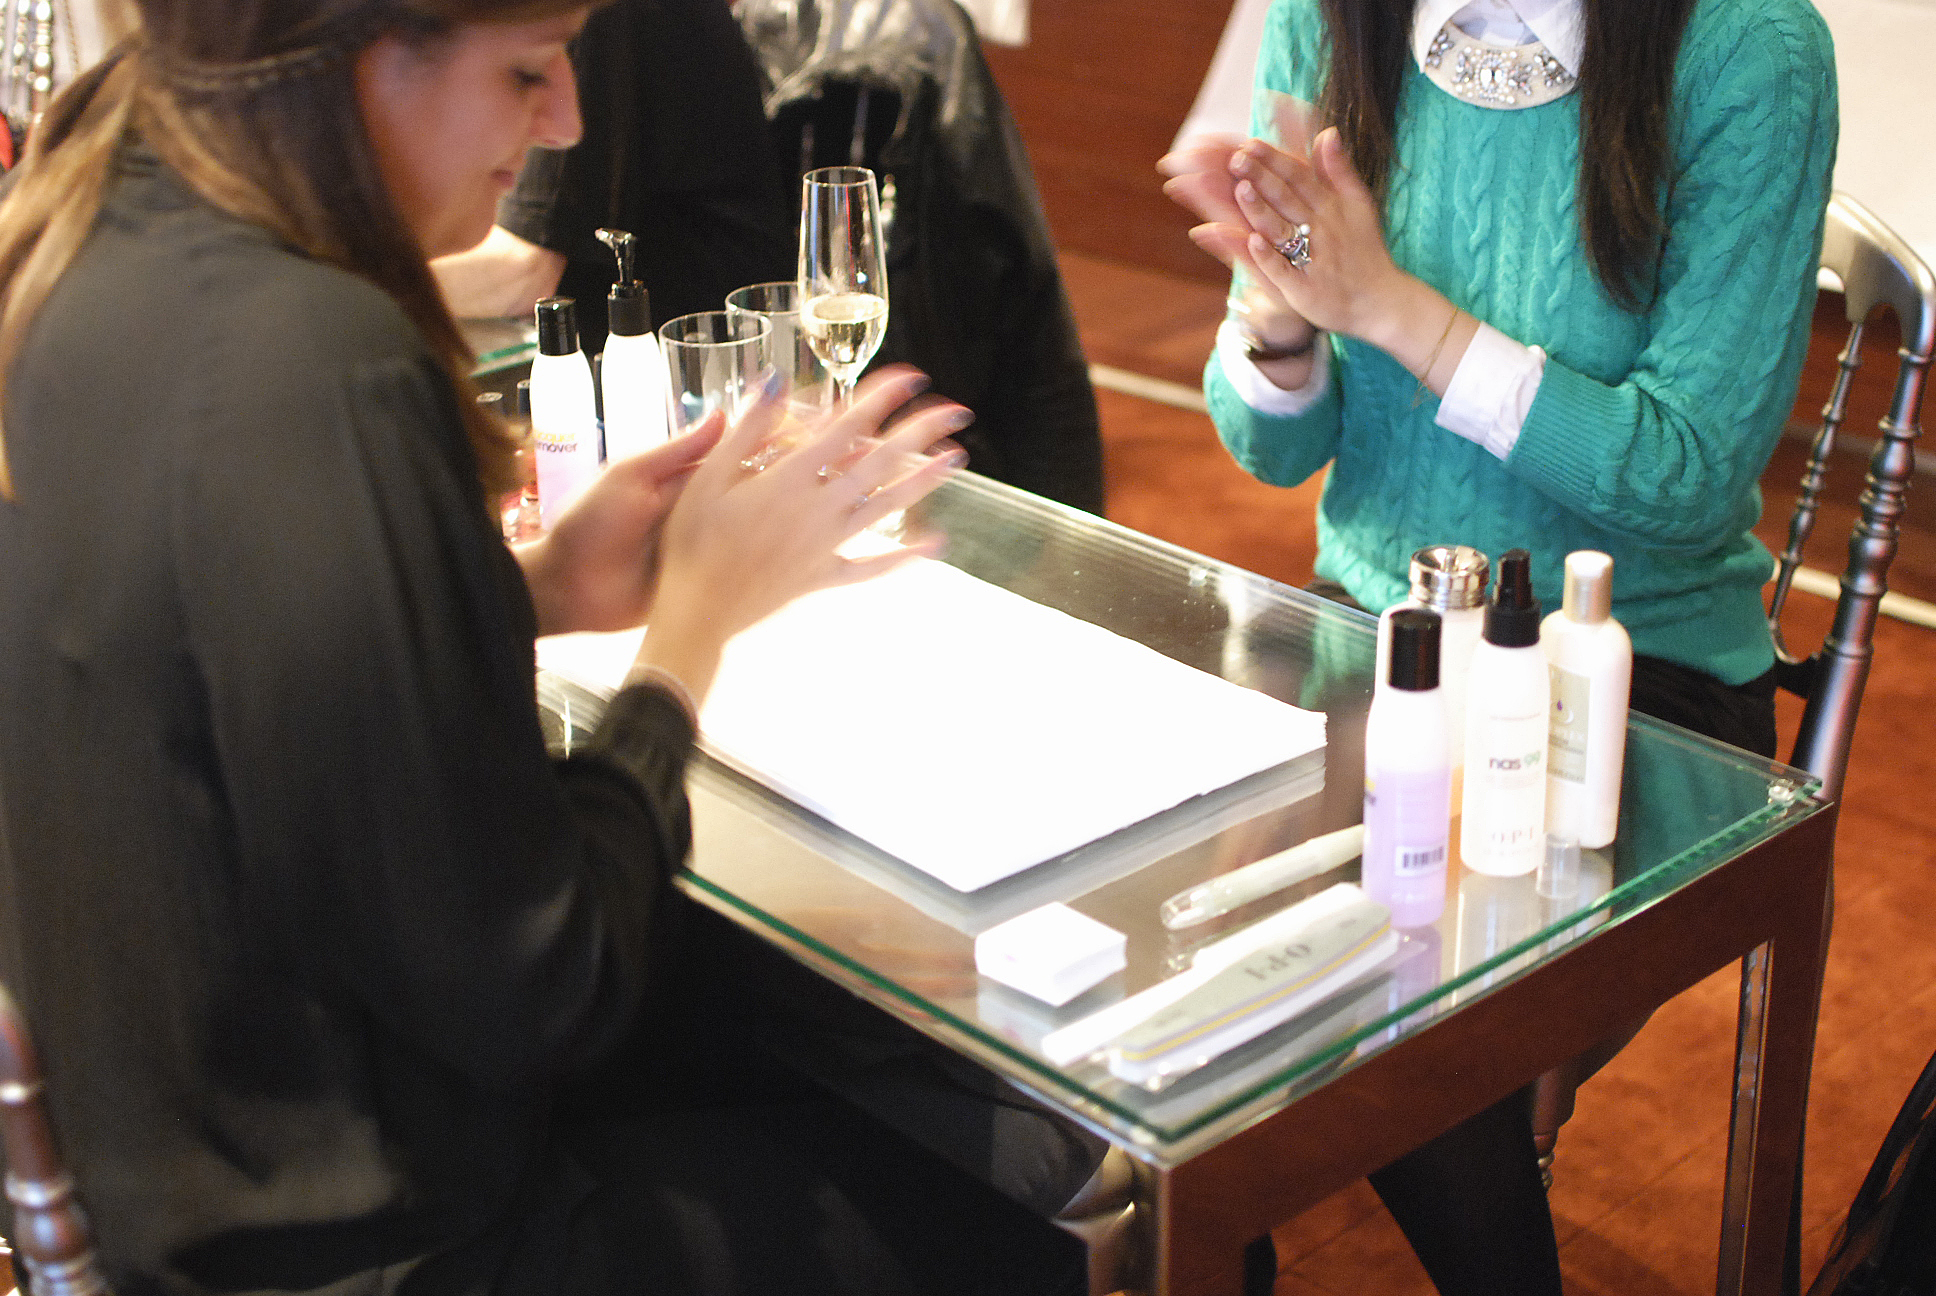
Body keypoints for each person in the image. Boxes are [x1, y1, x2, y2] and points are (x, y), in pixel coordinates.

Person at [0, 0, 1093, 1292]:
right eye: (527, 71)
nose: (567, 119)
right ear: (360, 62)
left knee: (861, 1057)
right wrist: (687, 636)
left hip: (191, 1157)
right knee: (1016, 1200)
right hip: (385, 1241)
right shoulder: (326, 364)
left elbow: (236, 660)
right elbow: (547, 980)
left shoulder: (103, 241)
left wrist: (542, 587)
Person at [1162, 0, 1836, 1289]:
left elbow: (1688, 476)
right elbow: (1272, 449)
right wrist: (1280, 311)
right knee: (1154, 913)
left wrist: (1390, 307)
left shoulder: (1751, 49)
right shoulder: (1332, 15)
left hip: (1625, 669)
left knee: (1369, 974)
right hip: (1375, 640)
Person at [431, 0, 796, 351]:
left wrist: (395, 279)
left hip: (704, 361)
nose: (566, 126)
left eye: (528, 72)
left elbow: (522, 272)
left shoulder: (595, 19)